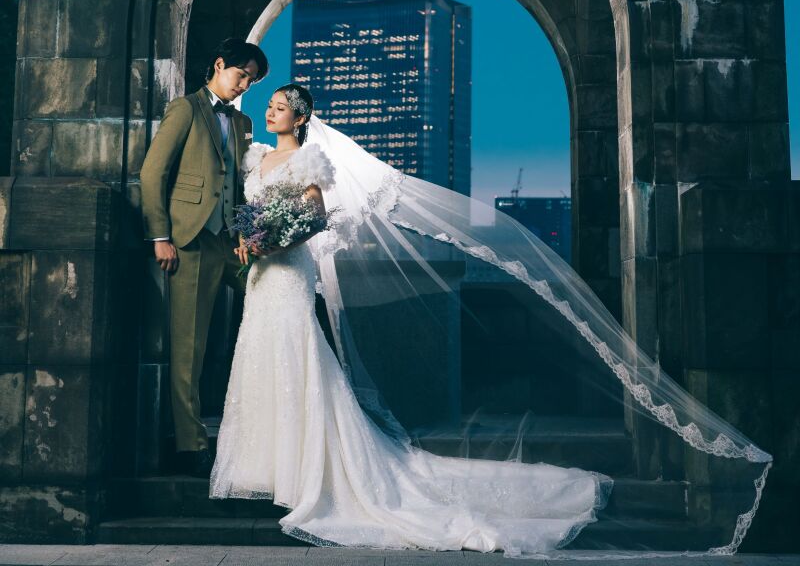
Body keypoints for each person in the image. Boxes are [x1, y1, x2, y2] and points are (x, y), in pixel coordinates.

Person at [210, 83, 771, 556]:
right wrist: (247, 239)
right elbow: (246, 208)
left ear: (302, 117)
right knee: (260, 358)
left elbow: (312, 217)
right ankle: (264, 467)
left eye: (282, 104)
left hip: (286, 271)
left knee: (297, 358)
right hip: (260, 275)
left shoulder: (311, 160)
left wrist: (269, 240)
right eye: (273, 103)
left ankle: (306, 470)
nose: (272, 109)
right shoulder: (256, 157)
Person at [139, 37, 269, 476]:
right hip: (189, 242)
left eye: (251, 81)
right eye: (241, 76)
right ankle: (190, 444)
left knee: (276, 305)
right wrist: (160, 236)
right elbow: (153, 173)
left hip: (233, 243)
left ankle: (269, 431)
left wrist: (251, 236)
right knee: (188, 346)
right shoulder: (185, 110)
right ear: (218, 64)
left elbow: (243, 184)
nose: (244, 86)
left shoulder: (244, 122)